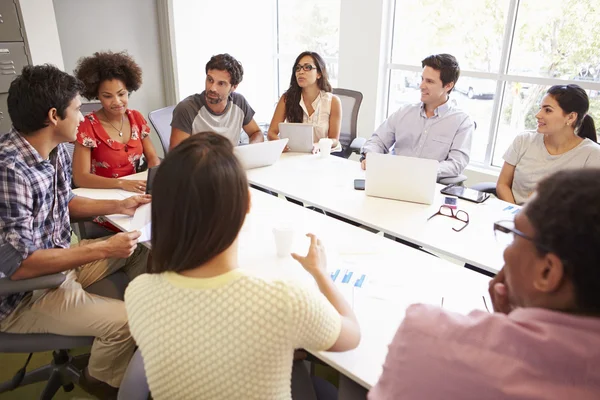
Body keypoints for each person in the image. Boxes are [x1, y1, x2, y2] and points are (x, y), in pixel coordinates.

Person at [125, 132, 361, 400]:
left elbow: (199, 333)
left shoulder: (138, 292)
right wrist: (321, 274)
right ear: (248, 202)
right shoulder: (283, 300)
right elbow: (351, 337)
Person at [369, 168, 600, 400]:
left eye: (514, 233)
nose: (507, 253)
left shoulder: (426, 335)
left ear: (547, 272)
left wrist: (505, 327)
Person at [0, 65, 150, 400]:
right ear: (54, 116)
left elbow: (64, 200)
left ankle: (125, 346)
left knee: (142, 249)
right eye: (78, 109)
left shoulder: (50, 149)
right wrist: (103, 249)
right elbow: (21, 266)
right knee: (129, 322)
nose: (83, 118)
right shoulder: (10, 170)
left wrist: (119, 206)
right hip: (24, 294)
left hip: (58, 265)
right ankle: (99, 379)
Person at [360, 54, 474, 180]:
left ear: (448, 86)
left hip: (428, 185)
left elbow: (456, 164)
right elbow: (378, 141)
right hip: (393, 179)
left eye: (429, 81)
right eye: (422, 79)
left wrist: (421, 171)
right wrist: (371, 156)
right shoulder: (404, 112)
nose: (421, 86)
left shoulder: (461, 122)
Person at [72, 51, 160, 194]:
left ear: (128, 91)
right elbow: (80, 178)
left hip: (134, 190)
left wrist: (151, 185)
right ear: (97, 95)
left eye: (121, 94)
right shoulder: (87, 126)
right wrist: (121, 183)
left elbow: (153, 159)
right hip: (102, 195)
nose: (117, 102)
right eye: (107, 96)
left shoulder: (136, 118)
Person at [496, 84, 600, 204]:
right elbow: (502, 184)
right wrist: (515, 212)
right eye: (540, 108)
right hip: (513, 216)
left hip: (557, 221)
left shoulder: (592, 155)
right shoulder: (523, 140)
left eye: (548, 110)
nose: (538, 115)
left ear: (571, 117)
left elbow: (588, 206)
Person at [169, 53, 264, 150]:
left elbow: (256, 133)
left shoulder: (239, 102)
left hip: (230, 163)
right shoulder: (187, 109)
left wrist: (251, 150)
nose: (212, 88)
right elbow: (177, 157)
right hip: (199, 164)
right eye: (210, 80)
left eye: (221, 83)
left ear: (234, 87)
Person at [267, 51, 342, 153]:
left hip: (322, 155)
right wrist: (280, 143)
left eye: (307, 67)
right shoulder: (287, 99)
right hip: (294, 154)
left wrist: (318, 145)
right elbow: (272, 133)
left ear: (319, 74)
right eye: (297, 68)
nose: (301, 72)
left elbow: (334, 139)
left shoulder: (332, 102)